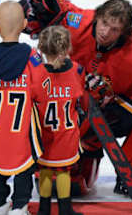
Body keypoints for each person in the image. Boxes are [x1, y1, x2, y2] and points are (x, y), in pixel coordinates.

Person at [22, 0, 132, 195]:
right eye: (103, 23)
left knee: (88, 120)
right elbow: (58, 7)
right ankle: (51, 155)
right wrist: (31, 11)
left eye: (114, 29)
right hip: (82, 92)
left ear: (124, 33)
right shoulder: (79, 22)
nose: (105, 32)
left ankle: (88, 151)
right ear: (97, 16)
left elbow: (114, 95)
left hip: (124, 104)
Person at [0, 0, 43, 215]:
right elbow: (41, 89)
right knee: (24, 168)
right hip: (21, 128)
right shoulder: (31, 57)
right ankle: (20, 205)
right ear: (24, 24)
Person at [33, 25, 84, 215]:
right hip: (66, 136)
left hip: (45, 137)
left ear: (43, 49)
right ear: (67, 48)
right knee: (63, 172)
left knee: (45, 171)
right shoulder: (77, 70)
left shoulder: (36, 73)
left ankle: (43, 209)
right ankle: (65, 209)